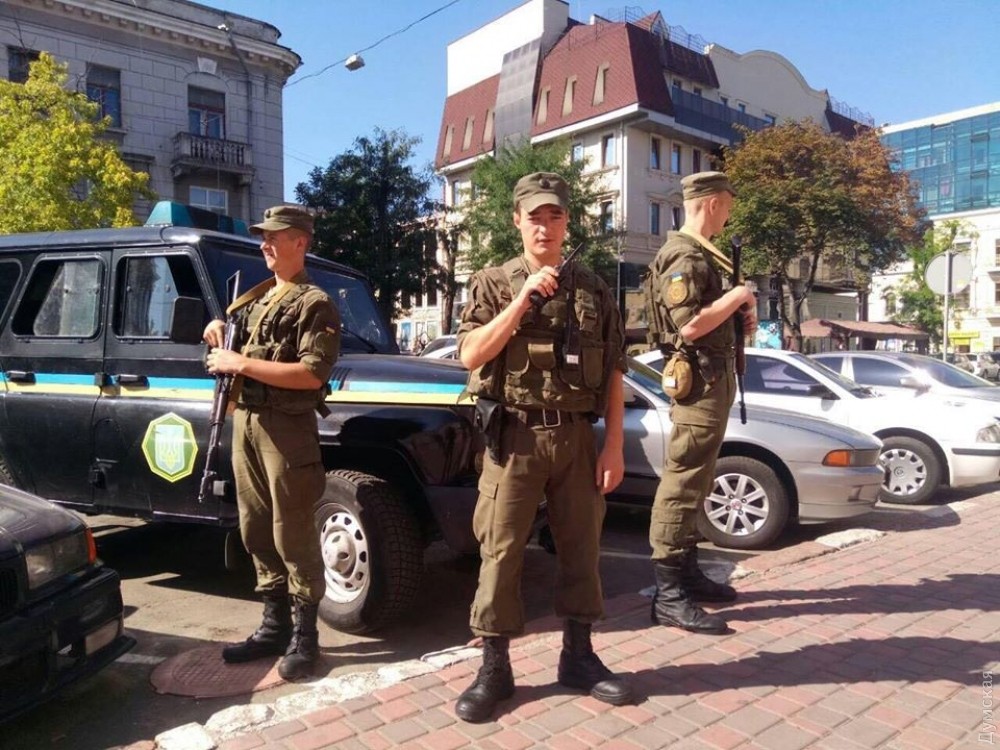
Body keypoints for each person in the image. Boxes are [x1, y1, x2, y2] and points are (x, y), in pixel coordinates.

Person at [454, 172, 633, 723]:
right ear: (517, 221)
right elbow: (470, 354)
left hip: (577, 438)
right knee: (501, 551)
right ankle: (495, 668)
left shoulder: (594, 288)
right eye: (535, 217)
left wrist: (614, 448)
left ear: (567, 222)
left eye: (555, 216)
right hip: (515, 437)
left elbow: (615, 371)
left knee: (581, 548)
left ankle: (578, 656)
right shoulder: (492, 282)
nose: (545, 227)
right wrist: (522, 301)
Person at [203, 204, 340, 680]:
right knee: (255, 527)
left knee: (292, 531)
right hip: (247, 421)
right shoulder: (255, 300)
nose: (264, 244)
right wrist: (217, 334)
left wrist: (240, 364)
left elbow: (311, 373)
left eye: (274, 237)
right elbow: (230, 351)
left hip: (286, 430)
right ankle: (275, 625)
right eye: (263, 237)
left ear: (300, 242)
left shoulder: (314, 302)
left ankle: (306, 636)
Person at [644, 171, 757, 635]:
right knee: (684, 480)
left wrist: (738, 316)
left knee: (700, 479)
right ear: (712, 203)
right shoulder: (684, 255)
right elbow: (689, 326)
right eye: (728, 204)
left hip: (713, 379)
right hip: (700, 383)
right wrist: (736, 297)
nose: (729, 214)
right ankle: (668, 594)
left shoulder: (704, 254)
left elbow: (709, 321)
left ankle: (686, 573)